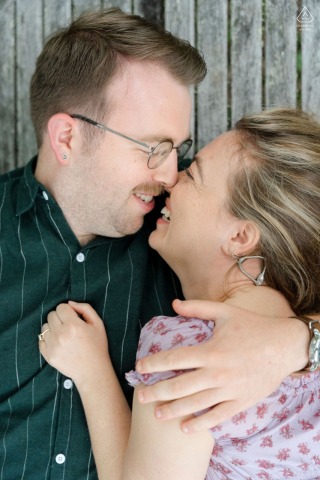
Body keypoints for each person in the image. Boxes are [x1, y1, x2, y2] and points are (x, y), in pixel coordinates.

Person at [0, 5, 314, 479]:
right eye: (153, 148)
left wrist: (298, 342)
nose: (170, 175)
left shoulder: (187, 241)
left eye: (179, 151)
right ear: (68, 137)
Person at [40, 108, 320, 480]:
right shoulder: (304, 321)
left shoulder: (190, 348)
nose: (172, 179)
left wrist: (92, 373)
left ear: (240, 238)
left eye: (195, 173)